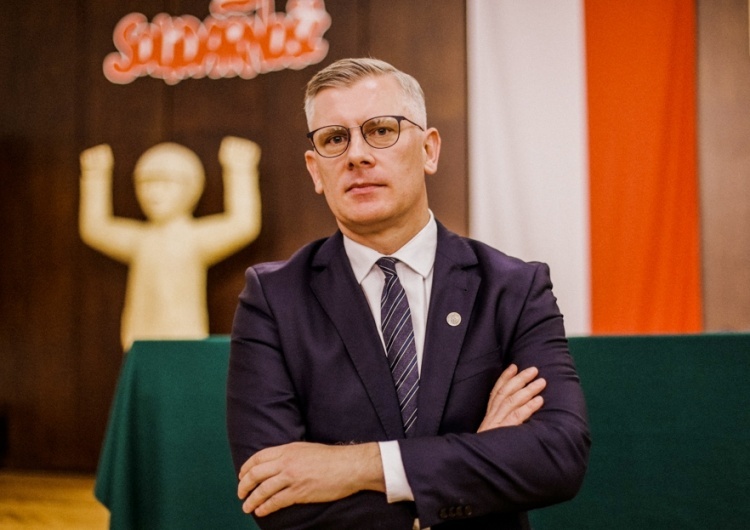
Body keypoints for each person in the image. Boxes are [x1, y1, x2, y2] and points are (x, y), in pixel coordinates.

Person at [226, 58, 590, 529]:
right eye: (334, 139)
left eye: (381, 130)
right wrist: (477, 456)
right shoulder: (273, 300)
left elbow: (557, 456)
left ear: (429, 150)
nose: (357, 155)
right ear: (316, 171)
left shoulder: (514, 288)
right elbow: (274, 496)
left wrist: (357, 465)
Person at [79, 137, 261, 351]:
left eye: (166, 183)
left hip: (186, 339)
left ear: (192, 187)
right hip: (138, 339)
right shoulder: (139, 239)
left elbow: (243, 224)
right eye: (145, 183)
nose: (154, 193)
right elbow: (95, 227)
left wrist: (239, 171)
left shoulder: (195, 238)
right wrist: (95, 176)